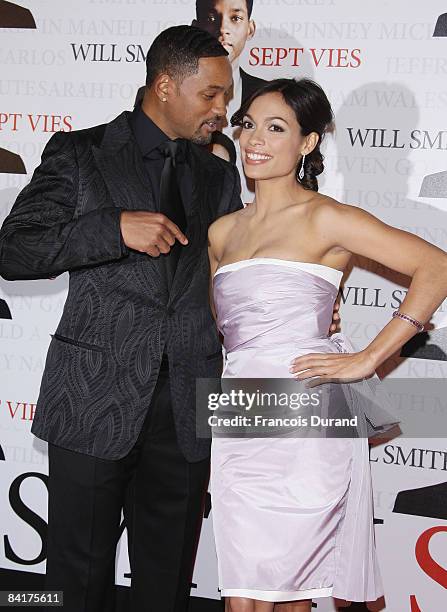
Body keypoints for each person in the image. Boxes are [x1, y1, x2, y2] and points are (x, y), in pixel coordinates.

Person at [0, 25, 239, 612]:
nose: (222, 111)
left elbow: (227, 278)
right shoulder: (79, 153)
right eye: (211, 94)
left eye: (226, 97)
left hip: (186, 405)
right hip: (91, 399)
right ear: (164, 86)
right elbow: (13, 250)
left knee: (167, 582)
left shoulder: (218, 176)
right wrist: (112, 229)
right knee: (75, 581)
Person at [207, 78, 447, 611]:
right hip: (241, 414)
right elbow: (230, 329)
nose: (254, 140)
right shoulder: (221, 232)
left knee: (296, 591)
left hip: (309, 415)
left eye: (276, 128)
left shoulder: (326, 217)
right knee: (241, 589)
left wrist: (366, 360)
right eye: (247, 125)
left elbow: (436, 267)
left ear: (308, 143)